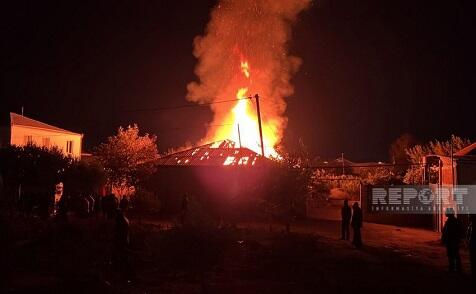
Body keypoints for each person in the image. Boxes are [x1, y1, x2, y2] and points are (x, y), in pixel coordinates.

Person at [441, 207, 462, 273]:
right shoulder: (454, 221)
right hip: (453, 240)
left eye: (446, 212)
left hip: (451, 241)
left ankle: (453, 268)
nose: (445, 213)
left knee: (452, 254)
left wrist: (444, 239)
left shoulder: (451, 222)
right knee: (454, 254)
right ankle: (457, 268)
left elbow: (445, 232)